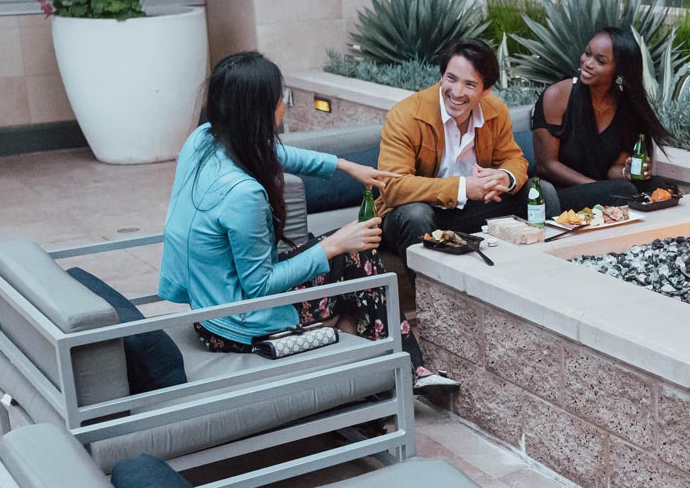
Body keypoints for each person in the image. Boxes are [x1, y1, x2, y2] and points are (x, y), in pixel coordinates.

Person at [158, 50, 450, 385]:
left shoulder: (205, 139)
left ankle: (397, 372)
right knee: (356, 259)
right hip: (238, 324)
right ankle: (403, 374)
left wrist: (344, 166)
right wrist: (333, 245)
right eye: (280, 98)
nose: (284, 105)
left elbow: (272, 152)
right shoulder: (243, 195)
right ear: (260, 111)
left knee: (356, 256)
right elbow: (260, 286)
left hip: (212, 305)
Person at [377, 39, 560, 254]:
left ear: (486, 90)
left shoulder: (495, 110)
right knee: (416, 215)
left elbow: (514, 159)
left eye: (470, 85)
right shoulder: (405, 115)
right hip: (415, 215)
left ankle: (547, 266)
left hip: (470, 211)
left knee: (541, 193)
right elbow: (392, 186)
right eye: (451, 79)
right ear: (441, 76)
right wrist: (463, 188)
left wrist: (505, 177)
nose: (456, 92)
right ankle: (427, 287)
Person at [530, 26, 672, 209]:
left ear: (619, 70)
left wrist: (625, 171)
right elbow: (547, 165)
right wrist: (599, 188)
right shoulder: (558, 95)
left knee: (655, 185)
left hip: (608, 188)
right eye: (587, 53)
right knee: (623, 190)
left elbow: (612, 169)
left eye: (600, 61)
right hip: (559, 193)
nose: (587, 63)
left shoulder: (625, 106)